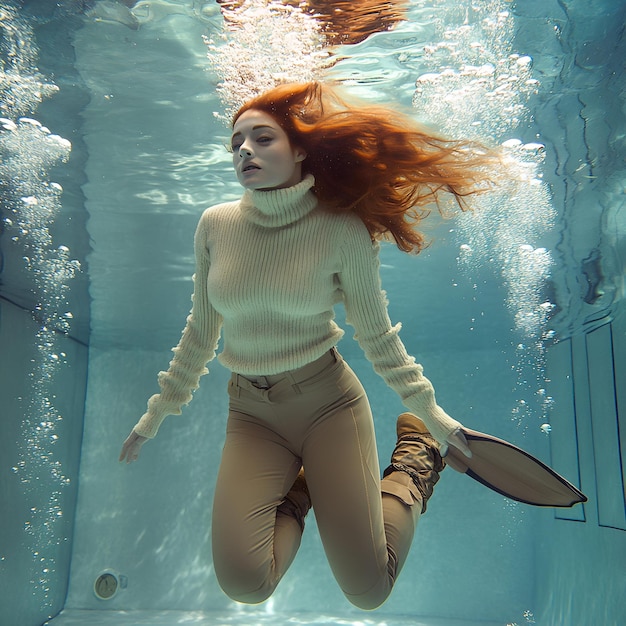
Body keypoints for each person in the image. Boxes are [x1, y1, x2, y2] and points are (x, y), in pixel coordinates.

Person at [119, 81, 492, 610]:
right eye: (236, 142)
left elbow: (377, 336)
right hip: (251, 413)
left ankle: (414, 459)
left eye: (262, 138)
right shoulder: (215, 225)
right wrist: (155, 415)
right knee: (245, 583)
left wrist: (433, 417)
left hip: (329, 406)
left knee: (369, 590)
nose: (244, 149)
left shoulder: (342, 227)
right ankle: (300, 489)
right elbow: (201, 332)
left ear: (299, 150)